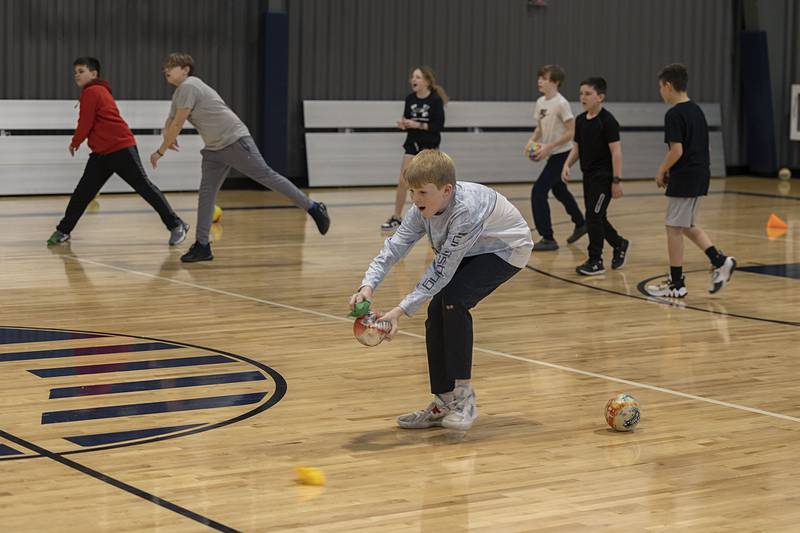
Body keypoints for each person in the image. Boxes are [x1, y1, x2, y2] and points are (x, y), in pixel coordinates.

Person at [350, 150, 532, 431]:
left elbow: (442, 270)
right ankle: (443, 401)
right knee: (436, 311)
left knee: (454, 301)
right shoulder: (421, 209)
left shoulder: (466, 212)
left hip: (506, 249)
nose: (416, 199)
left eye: (422, 192)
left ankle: (465, 398)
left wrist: (398, 312)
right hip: (474, 249)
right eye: (412, 191)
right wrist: (367, 285)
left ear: (447, 190)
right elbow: (394, 248)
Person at [152, 52, 330, 262]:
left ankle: (313, 207)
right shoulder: (179, 93)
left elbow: (177, 123)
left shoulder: (190, 85)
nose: (166, 70)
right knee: (206, 194)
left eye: (171, 66)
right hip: (214, 148)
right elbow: (171, 120)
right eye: (166, 67)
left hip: (234, 140)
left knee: (267, 176)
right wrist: (166, 133)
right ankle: (202, 245)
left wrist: (160, 151)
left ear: (185, 70)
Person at [48, 57, 187, 247]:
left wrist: (75, 142)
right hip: (101, 154)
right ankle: (64, 230)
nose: (77, 75)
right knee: (83, 193)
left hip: (120, 149)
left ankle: (176, 224)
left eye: (81, 71)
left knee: (145, 188)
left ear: (94, 74)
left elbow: (85, 122)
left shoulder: (93, 91)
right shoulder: (97, 91)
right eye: (75, 72)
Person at [645, 63, 736, 297]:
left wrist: (661, 170)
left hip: (686, 175)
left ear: (668, 85)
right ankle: (720, 260)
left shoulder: (674, 113)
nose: (660, 92)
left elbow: (677, 151)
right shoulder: (696, 110)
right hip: (697, 173)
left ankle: (677, 284)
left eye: (660, 87)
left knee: (673, 228)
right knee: (685, 225)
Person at [561, 77, 629, 275]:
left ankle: (595, 260)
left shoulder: (608, 121)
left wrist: (616, 181)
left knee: (593, 215)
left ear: (600, 97)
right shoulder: (581, 120)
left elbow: (616, 152)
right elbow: (578, 148)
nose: (583, 97)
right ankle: (619, 243)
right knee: (597, 216)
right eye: (581, 93)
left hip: (604, 177)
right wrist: (567, 164)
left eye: (588, 93)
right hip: (588, 176)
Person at [525, 64, 587, 251]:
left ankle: (548, 238)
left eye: (544, 78)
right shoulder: (540, 102)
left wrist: (548, 148)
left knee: (538, 192)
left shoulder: (561, 103)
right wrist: (531, 142)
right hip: (552, 153)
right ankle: (581, 222)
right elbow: (540, 127)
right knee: (559, 190)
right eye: (539, 78)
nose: (539, 81)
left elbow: (572, 131)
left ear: (555, 82)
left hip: (562, 153)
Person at [381, 66, 447, 231]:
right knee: (403, 179)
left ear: (426, 81)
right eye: (413, 77)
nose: (413, 80)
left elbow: (438, 126)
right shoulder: (410, 99)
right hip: (412, 143)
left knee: (429, 183)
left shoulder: (435, 100)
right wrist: (404, 124)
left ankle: (436, 216)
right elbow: (407, 119)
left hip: (429, 146)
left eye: (417, 77)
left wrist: (417, 124)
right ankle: (396, 217)